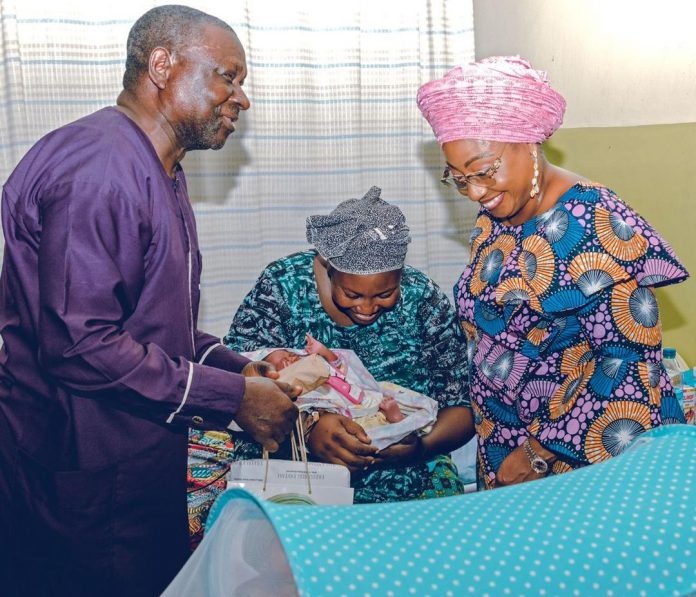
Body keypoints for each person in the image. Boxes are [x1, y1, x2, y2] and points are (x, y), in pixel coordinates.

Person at [0, 5, 300, 596]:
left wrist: (242, 370)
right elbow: (81, 346)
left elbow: (150, 326)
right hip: (84, 477)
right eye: (229, 76)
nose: (242, 98)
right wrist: (235, 398)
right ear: (162, 65)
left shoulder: (156, 166)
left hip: (134, 462)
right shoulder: (101, 169)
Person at [416, 56, 689, 490]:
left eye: (484, 171)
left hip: (577, 458)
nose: (476, 192)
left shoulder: (593, 221)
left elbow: (631, 363)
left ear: (528, 143)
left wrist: (537, 453)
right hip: (506, 446)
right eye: (459, 178)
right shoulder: (498, 214)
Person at [218, 185, 475, 503]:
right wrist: (310, 429)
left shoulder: (422, 300)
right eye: (352, 295)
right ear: (327, 267)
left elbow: (463, 407)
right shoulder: (282, 289)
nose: (367, 308)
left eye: (384, 294)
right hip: (300, 477)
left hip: (410, 478)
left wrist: (417, 446)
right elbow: (236, 383)